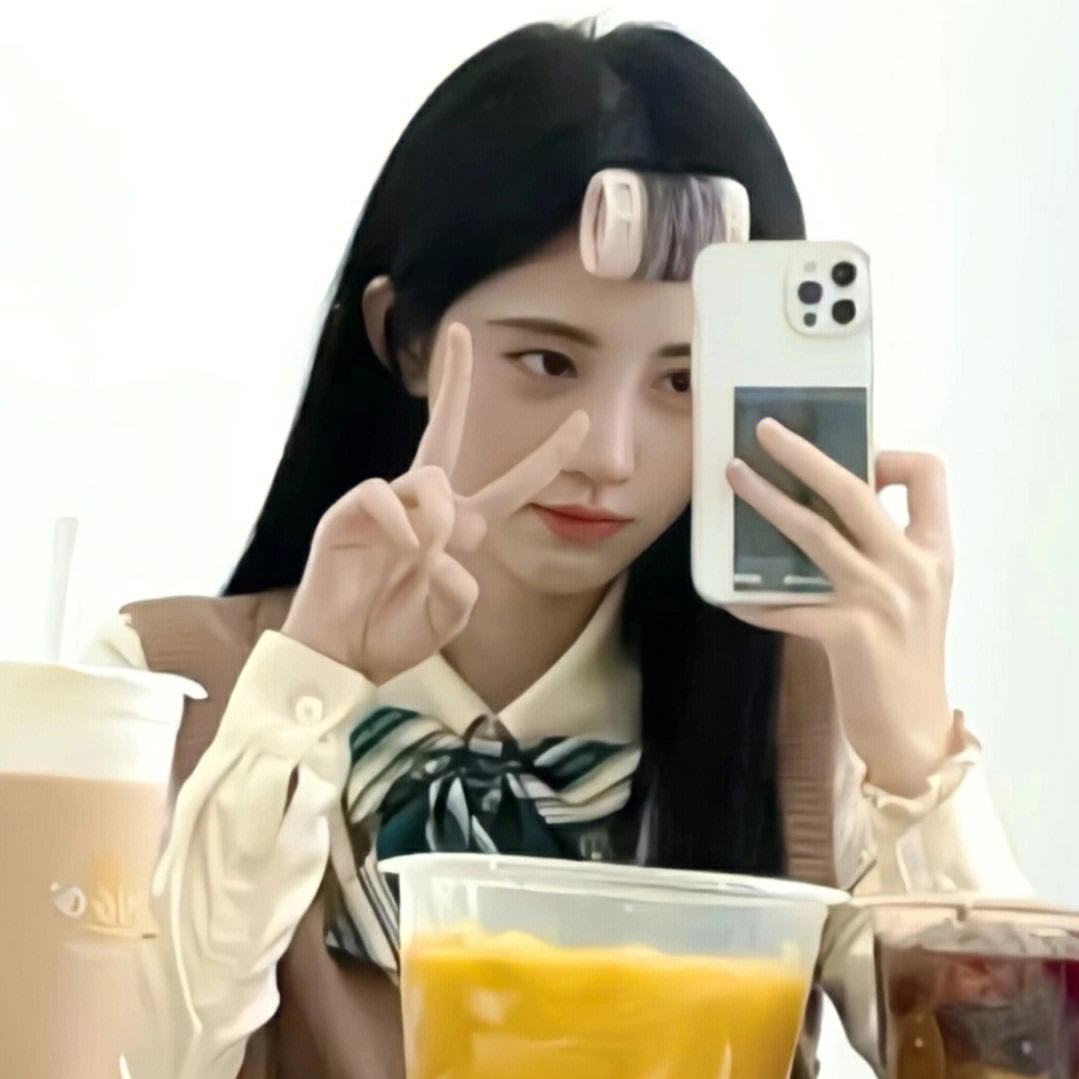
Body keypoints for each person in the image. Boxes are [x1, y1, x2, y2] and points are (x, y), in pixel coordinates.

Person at [85, 18, 1033, 1078]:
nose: (609, 454)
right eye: (546, 361)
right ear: (404, 338)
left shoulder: (804, 727)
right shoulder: (158, 694)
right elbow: (111, 1058)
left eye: (683, 380)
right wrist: (301, 695)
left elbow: (1001, 1064)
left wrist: (915, 757)